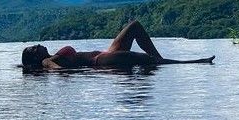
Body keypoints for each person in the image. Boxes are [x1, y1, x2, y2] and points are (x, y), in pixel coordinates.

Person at [21, 20, 215, 70]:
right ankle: (195, 61)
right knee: (146, 60)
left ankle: (161, 59)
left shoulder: (50, 55)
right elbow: (52, 67)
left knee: (135, 26)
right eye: (33, 48)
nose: (37, 45)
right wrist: (61, 71)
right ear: (34, 58)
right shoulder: (46, 60)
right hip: (100, 61)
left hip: (106, 53)